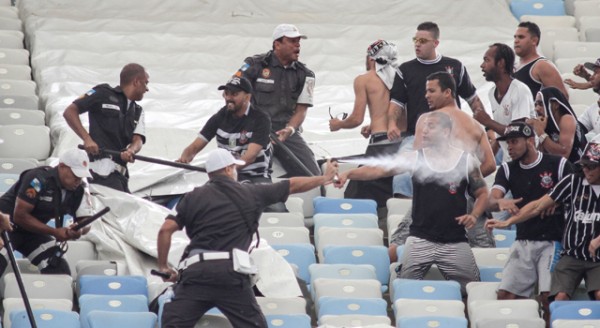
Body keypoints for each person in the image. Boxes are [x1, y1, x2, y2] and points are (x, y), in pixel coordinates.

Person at [157, 148, 338, 328]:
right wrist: (323, 178)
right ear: (228, 169)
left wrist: (164, 266)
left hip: (197, 274)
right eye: (234, 168)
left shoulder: (191, 197)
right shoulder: (251, 193)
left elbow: (166, 230)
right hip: (231, 275)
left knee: (172, 324)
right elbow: (291, 185)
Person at [335, 111, 486, 296]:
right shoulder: (415, 158)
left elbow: (483, 193)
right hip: (420, 239)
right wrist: (348, 174)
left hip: (455, 242)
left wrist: (475, 214)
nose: (424, 131)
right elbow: (379, 170)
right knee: (403, 289)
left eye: (431, 126)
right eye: (424, 126)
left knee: (475, 291)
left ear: (446, 132)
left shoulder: (467, 161)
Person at [487, 137, 600, 302]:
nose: (586, 171)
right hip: (572, 255)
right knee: (558, 298)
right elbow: (538, 206)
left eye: (592, 167)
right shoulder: (573, 181)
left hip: (597, 259)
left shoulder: (560, 165)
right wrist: (509, 222)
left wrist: (598, 241)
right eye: (584, 165)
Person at [484, 121, 573, 323]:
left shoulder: (558, 164)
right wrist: (499, 202)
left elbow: (575, 193)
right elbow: (490, 201)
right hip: (523, 239)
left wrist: (558, 203)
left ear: (530, 141)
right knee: (506, 297)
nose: (510, 147)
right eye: (508, 143)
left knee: (548, 299)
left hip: (553, 241)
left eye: (514, 141)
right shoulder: (507, 169)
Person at [387, 21, 487, 198]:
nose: (417, 44)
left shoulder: (455, 67)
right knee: (401, 174)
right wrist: (392, 124)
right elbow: (396, 103)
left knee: (468, 168)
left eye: (423, 40)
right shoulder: (405, 70)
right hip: (416, 136)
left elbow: (473, 100)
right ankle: (406, 217)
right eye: (415, 39)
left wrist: (487, 127)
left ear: (436, 43)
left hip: (452, 136)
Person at [236, 24, 319, 177]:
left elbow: (302, 111)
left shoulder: (306, 75)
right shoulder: (254, 64)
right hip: (254, 129)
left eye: (299, 41)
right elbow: (234, 92)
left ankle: (284, 190)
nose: (298, 45)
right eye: (292, 41)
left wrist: (290, 129)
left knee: (313, 174)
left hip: (285, 132)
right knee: (243, 170)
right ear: (277, 44)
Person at [329, 40, 401, 207]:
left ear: (371, 58)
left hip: (379, 143)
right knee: (391, 194)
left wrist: (338, 124)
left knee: (357, 195)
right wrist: (374, 123)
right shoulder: (401, 78)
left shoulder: (364, 80)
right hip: (400, 142)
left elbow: (356, 119)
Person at [0, 149, 94, 275]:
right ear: (62, 166)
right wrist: (54, 232)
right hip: (6, 227)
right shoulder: (38, 179)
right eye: (75, 175)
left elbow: (86, 220)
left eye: (81, 176)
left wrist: (79, 230)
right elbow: (20, 216)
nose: (78, 180)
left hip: (34, 232)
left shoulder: (80, 188)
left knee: (58, 267)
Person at [63, 63, 149, 193]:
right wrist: (87, 139)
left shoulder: (138, 111)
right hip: (98, 172)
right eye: (145, 83)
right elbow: (70, 111)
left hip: (120, 176)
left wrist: (131, 150)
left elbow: (138, 139)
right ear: (136, 82)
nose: (147, 89)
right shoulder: (102, 93)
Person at [476, 43, 535, 163]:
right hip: (508, 162)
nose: (482, 66)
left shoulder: (519, 90)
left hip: (526, 162)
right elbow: (500, 136)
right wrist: (486, 161)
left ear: (501, 63)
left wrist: (488, 122)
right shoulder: (491, 93)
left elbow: (518, 132)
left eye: (487, 60)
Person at [527, 87, 587, 164]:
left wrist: (541, 133)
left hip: (578, 168)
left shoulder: (567, 119)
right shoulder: (544, 124)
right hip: (557, 169)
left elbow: (563, 155)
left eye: (541, 104)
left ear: (555, 105)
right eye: (536, 105)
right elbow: (541, 156)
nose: (536, 109)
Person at [513, 21, 568, 99]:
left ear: (534, 41)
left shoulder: (542, 66)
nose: (516, 41)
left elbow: (562, 98)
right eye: (515, 37)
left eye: (521, 37)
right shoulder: (513, 66)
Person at [566, 58, 600, 137]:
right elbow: (577, 132)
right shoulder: (593, 109)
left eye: (595, 73)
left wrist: (587, 83)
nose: (592, 77)